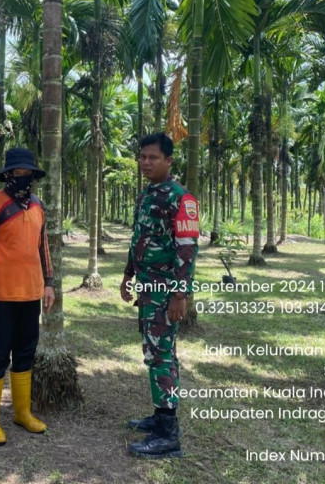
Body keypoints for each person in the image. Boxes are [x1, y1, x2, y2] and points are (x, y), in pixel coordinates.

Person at [120, 132, 199, 459]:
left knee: (162, 354)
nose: (146, 162)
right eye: (142, 157)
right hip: (148, 288)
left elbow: (187, 249)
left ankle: (168, 435)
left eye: (153, 157)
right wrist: (128, 275)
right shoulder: (147, 194)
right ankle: (159, 416)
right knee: (154, 352)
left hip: (166, 290)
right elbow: (139, 238)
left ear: (169, 160)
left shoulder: (182, 199)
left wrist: (180, 293)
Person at [0, 147, 56, 446]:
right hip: (0, 294)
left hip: (30, 293)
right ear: (8, 175)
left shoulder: (37, 206)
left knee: (26, 352)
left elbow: (42, 247)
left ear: (33, 176)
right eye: (17, 173)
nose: (23, 178)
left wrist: (48, 283)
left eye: (27, 174)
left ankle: (22, 413)